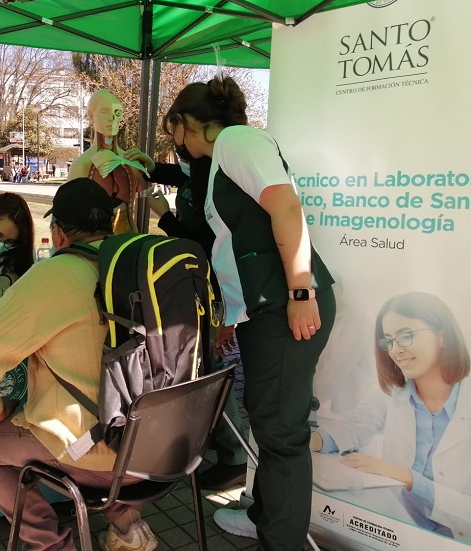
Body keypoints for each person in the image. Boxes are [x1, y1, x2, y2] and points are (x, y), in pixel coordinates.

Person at [162, 78, 336, 551]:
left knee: (281, 436)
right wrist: (230, 316)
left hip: (285, 306)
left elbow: (285, 206)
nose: (174, 143)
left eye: (172, 130)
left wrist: (301, 292)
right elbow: (239, 246)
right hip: (265, 310)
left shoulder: (238, 140)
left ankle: (280, 540)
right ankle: (264, 516)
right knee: (269, 423)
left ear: (183, 124)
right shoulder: (225, 155)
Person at [0, 178, 158, 551]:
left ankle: (50, 545)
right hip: (164, 445)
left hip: (101, 456)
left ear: (58, 233)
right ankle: (128, 528)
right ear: (109, 226)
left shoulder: (55, 274)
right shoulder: (142, 264)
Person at [124, 148, 248, 490]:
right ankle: (224, 448)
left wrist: (164, 217)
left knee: (208, 367)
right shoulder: (199, 168)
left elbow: (201, 245)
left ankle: (235, 456)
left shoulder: (215, 177)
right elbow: (182, 177)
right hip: (205, 285)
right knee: (205, 366)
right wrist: (154, 169)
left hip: (213, 287)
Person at [311, 292, 470, 542]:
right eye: (388, 341)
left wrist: (407, 478)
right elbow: (356, 425)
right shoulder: (395, 392)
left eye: (406, 335)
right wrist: (315, 440)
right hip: (398, 531)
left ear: (442, 334)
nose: (396, 350)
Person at [68, 89, 148, 234]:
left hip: (127, 242)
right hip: (95, 247)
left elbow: (150, 195)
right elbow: (69, 214)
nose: (111, 118)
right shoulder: (81, 165)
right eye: (104, 111)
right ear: (91, 118)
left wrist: (152, 171)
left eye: (116, 112)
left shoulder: (130, 161)